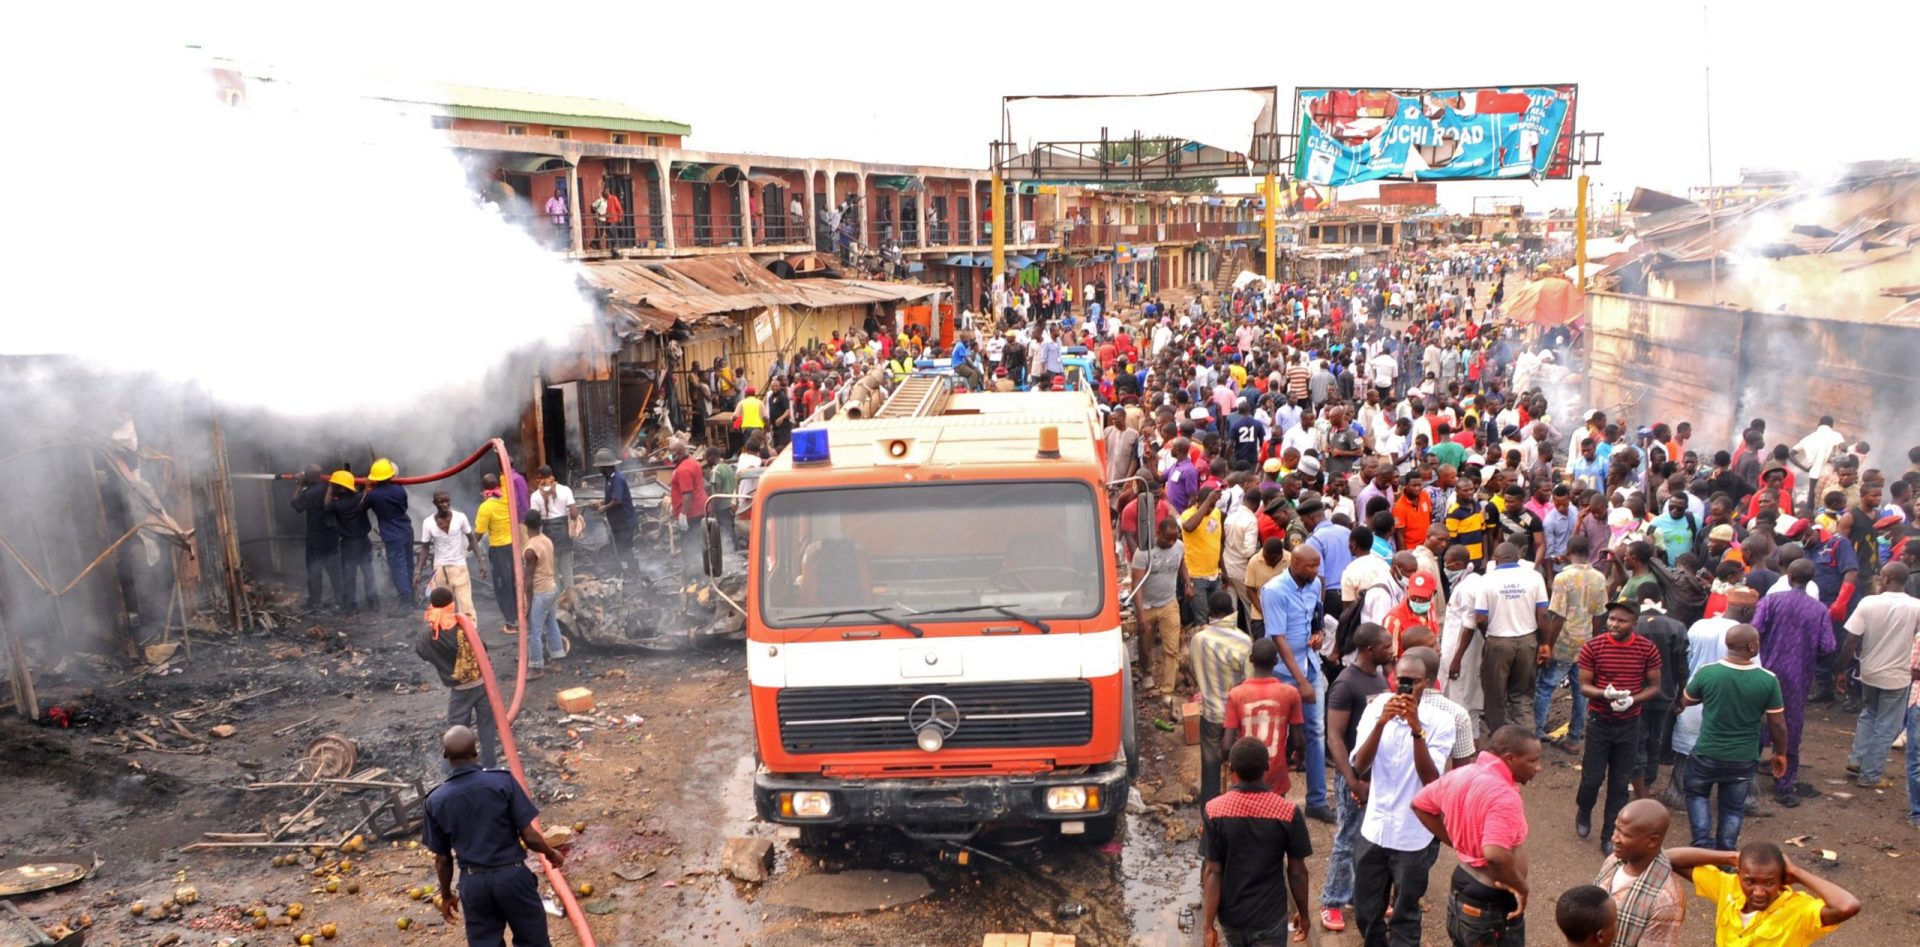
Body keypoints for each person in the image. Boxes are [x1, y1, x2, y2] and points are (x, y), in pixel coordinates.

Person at [1350, 647, 1458, 946]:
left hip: (1412, 836)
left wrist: (1416, 730)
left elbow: (1431, 780)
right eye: (1401, 680)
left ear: (1429, 684)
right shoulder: (1377, 709)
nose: (1406, 687)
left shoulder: (1440, 721)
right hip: (1373, 829)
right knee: (1366, 912)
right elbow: (1359, 766)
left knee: (1405, 914)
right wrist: (1381, 724)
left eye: (1414, 681)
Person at [422, 726, 566, 947]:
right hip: (513, 877)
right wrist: (551, 853)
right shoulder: (502, 782)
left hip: (474, 884)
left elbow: (442, 859)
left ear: (445, 757)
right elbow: (530, 836)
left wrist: (446, 894)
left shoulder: (436, 800)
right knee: (533, 941)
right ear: (475, 751)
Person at [1412, 725, 1543, 946]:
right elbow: (1494, 855)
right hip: (1490, 905)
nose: (1538, 768)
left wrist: (1458, 841)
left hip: (1463, 886)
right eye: (1533, 761)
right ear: (1510, 759)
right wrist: (1521, 888)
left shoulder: (1462, 774)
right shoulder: (1503, 795)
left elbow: (1419, 804)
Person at [1675, 623, 1787, 852]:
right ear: (1751, 646)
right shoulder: (1768, 680)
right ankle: (1725, 854)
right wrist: (1780, 753)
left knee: (1697, 795)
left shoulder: (1708, 672)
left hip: (1707, 753)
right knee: (1732, 808)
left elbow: (1687, 700)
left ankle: (1702, 846)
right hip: (1743, 758)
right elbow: (1778, 724)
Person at [1320, 623, 1392, 934]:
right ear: (1369, 649)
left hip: (1373, 775)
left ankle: (1355, 895)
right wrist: (1352, 781)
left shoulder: (1378, 677)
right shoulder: (1345, 684)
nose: (1392, 649)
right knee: (1347, 840)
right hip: (1353, 777)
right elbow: (1334, 738)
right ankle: (1332, 901)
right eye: (1387, 645)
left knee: (1371, 840)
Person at [1751, 559, 1836, 807]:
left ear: (1789, 576)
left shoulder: (1771, 601)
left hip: (1766, 671)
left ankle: (1745, 781)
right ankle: (1784, 783)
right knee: (1791, 726)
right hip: (1798, 676)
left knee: (1756, 720)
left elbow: (1754, 631)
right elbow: (1828, 646)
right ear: (1811, 580)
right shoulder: (1819, 609)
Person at [1259, 544, 1334, 822]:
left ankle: (1316, 801)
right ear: (1295, 564)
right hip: (1284, 673)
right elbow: (1277, 638)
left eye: (1317, 566)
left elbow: (1316, 618)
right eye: (1310, 566)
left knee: (1316, 733)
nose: (1315, 571)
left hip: (1310, 666)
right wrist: (1301, 681)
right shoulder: (1274, 591)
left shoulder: (1314, 586)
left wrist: (1319, 634)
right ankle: (1275, 801)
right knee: (1278, 737)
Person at [1835, 561, 1920, 787]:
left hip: (1869, 672)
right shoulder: (1916, 607)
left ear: (1886, 578)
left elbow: (1851, 639)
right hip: (1898, 676)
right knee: (1887, 725)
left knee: (1869, 714)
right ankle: (1870, 775)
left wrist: (1841, 669)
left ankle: (1857, 759)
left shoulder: (1868, 602)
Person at [1675, 841, 1860, 944]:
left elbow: (1847, 906)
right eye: (1750, 881)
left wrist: (1798, 872)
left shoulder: (1798, 910)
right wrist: (1731, 857)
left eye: (1769, 883)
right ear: (1739, 875)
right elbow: (1670, 858)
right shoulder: (1728, 886)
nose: (1759, 892)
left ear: (1783, 878)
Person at [416, 588, 497, 772]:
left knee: (455, 732)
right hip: (483, 684)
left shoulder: (430, 635)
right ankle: (490, 767)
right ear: (451, 603)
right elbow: (482, 648)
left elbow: (421, 651)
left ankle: (451, 773)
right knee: (487, 727)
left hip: (460, 691)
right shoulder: (463, 625)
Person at [1476, 542, 1551, 732]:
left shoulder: (1486, 580)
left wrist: (1489, 635)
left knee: (1495, 696)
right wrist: (1544, 643)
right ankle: (1527, 743)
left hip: (1498, 641)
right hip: (1528, 641)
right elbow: (1542, 615)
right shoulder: (1534, 577)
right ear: (1518, 558)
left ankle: (1500, 742)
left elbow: (1480, 618)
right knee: (1522, 696)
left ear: (1495, 559)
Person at [1541, 534, 1607, 750]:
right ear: (1589, 554)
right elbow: (1599, 615)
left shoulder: (1563, 579)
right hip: (1586, 643)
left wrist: (1548, 645)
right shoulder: (1599, 578)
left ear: (1568, 553)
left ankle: (1534, 734)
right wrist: (1594, 641)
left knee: (1545, 687)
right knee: (1581, 691)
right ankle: (1574, 738)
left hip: (1563, 642)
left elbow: (1557, 616)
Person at [1592, 800, 1686, 947]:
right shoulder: (1613, 861)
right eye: (1616, 829)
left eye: (1626, 835)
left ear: (1652, 841)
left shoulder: (1665, 900)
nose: (1614, 838)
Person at [1190, 590, 1252, 808]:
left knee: (1210, 767)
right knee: (1238, 766)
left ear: (1210, 612)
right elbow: (1249, 682)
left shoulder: (1198, 639)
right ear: (1233, 612)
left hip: (1210, 713)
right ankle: (1236, 809)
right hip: (1236, 718)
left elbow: (1192, 670)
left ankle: (1210, 813)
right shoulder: (1244, 641)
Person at [1223, 637, 1305, 797]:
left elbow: (1227, 745)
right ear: (1276, 660)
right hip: (1276, 774)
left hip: (1243, 777)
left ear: (1251, 660)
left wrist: (1229, 763)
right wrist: (1299, 757)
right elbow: (1298, 740)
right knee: (1274, 819)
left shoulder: (1236, 694)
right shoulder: (1290, 693)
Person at [1133, 516, 1190, 696]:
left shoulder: (1179, 546)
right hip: (1148, 606)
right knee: (1145, 645)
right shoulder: (1143, 553)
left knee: (1171, 648)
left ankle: (1167, 688)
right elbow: (1137, 585)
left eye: (1174, 538)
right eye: (1167, 538)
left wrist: (1188, 584)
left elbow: (1183, 566)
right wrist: (1141, 613)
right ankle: (1146, 672)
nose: (1171, 542)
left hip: (1169, 603)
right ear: (1158, 533)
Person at [417, 491, 483, 621]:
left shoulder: (460, 517)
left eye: (447, 501)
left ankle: (469, 636)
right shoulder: (428, 523)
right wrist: (418, 571)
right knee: (443, 608)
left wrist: (481, 561)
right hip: (440, 569)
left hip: (460, 567)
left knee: (466, 606)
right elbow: (425, 548)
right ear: (435, 503)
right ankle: (446, 635)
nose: (445, 504)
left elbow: (472, 539)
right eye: (441, 502)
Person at [291, 465, 342, 611]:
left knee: (314, 571)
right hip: (332, 536)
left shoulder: (310, 493)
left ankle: (315, 602)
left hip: (316, 539)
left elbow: (295, 505)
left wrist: (300, 485)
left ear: (309, 477)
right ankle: (341, 600)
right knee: (335, 572)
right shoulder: (330, 488)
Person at [520, 510, 563, 678]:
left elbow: (528, 578)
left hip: (541, 591)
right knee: (552, 624)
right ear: (541, 524)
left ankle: (536, 668)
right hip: (552, 587)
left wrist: (527, 602)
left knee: (534, 630)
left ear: (525, 525)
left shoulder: (530, 548)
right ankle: (557, 660)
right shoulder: (546, 540)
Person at [473, 474, 518, 635]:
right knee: (515, 582)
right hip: (513, 546)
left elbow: (478, 534)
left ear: (484, 489)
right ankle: (519, 618)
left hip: (499, 550)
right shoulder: (507, 497)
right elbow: (506, 475)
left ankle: (511, 623)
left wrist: (466, 548)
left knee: (502, 586)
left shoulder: (485, 507)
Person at [327, 470, 377, 612]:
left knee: (349, 574)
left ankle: (350, 606)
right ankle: (373, 602)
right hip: (364, 541)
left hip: (349, 543)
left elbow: (326, 504)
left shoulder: (337, 504)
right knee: (368, 571)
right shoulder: (359, 498)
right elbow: (367, 496)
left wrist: (331, 487)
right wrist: (367, 488)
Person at [366, 458, 412, 609]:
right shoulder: (400, 489)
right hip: (406, 530)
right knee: (408, 564)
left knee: (398, 567)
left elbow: (360, 507)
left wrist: (366, 490)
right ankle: (411, 598)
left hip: (392, 535)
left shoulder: (373, 495)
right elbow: (404, 506)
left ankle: (405, 602)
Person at [527, 465, 578, 591]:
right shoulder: (565, 490)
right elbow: (574, 513)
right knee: (567, 568)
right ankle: (571, 599)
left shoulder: (535, 496)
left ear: (538, 477)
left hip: (547, 533)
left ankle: (557, 602)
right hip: (563, 532)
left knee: (552, 571)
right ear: (552, 474)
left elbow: (534, 518)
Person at [589, 449, 637, 572]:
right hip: (617, 522)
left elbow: (618, 501)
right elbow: (612, 498)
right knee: (618, 547)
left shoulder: (617, 479)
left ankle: (632, 572)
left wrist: (603, 508)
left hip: (624, 522)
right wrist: (600, 502)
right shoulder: (610, 479)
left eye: (600, 468)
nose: (599, 470)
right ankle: (624, 570)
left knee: (625, 548)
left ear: (605, 467)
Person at [667, 438, 709, 576]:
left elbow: (687, 493)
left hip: (692, 514)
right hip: (700, 509)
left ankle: (693, 573)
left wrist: (683, 514)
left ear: (678, 453)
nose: (669, 456)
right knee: (699, 542)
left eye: (671, 453)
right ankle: (701, 569)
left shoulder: (683, 470)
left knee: (689, 545)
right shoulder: (692, 462)